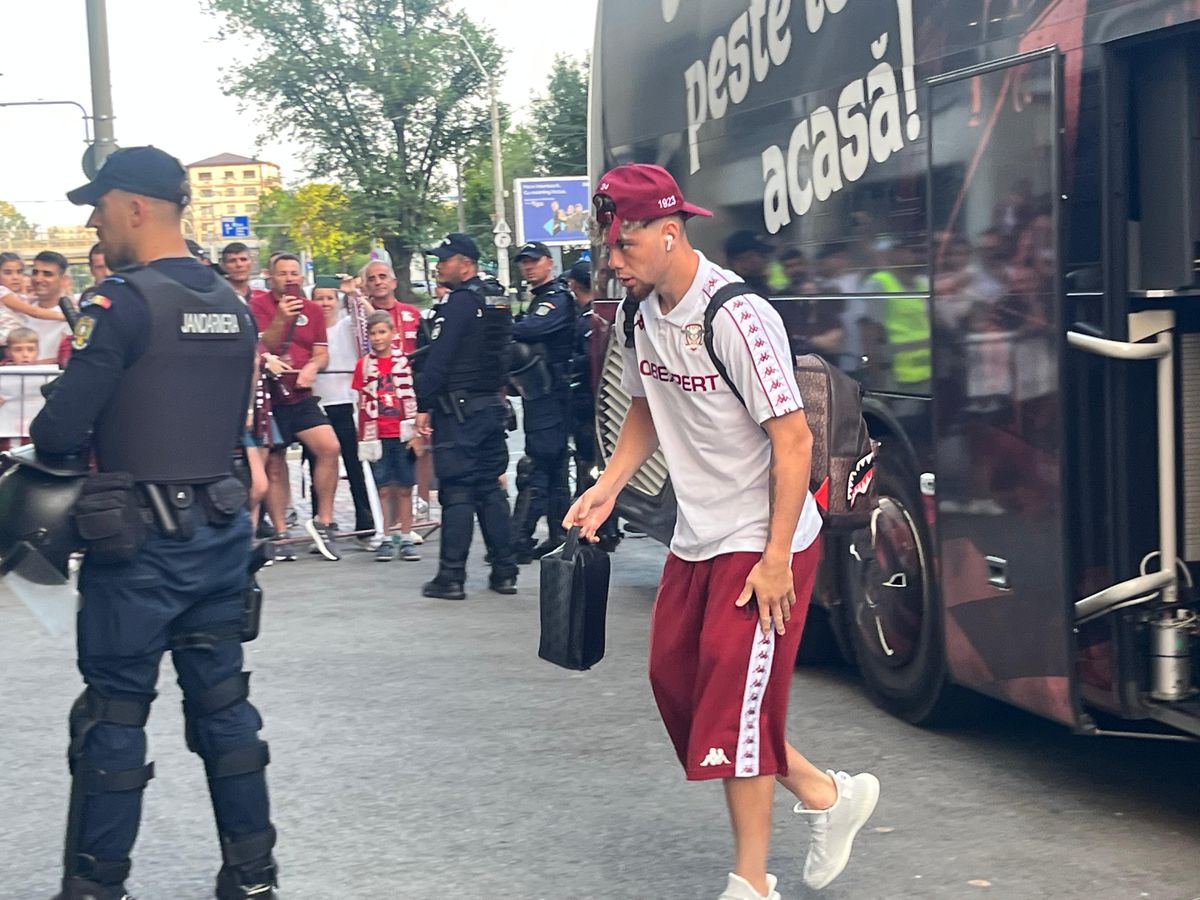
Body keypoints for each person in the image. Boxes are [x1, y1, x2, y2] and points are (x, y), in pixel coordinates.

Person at [567, 163, 879, 900]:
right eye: (610, 248)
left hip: (765, 536)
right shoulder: (642, 316)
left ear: (668, 233)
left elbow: (794, 438)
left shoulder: (736, 316)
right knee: (676, 684)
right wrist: (609, 486)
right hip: (697, 534)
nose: (613, 263)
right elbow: (646, 405)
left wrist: (776, 560)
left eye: (624, 245)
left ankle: (751, 883)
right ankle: (825, 793)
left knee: (736, 709)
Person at [29, 146, 278, 899]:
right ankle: (253, 876)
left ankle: (97, 886)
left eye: (99, 207)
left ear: (134, 206)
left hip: (135, 545)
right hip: (221, 532)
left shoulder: (122, 302)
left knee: (112, 717)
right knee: (226, 711)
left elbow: (58, 432)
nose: (95, 223)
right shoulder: (233, 304)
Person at [414, 232, 517, 600]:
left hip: (458, 411)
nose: (439, 265)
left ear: (466, 263)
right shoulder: (497, 299)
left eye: (446, 258)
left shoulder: (459, 302)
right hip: (491, 405)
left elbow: (440, 358)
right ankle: (504, 571)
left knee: (457, 491)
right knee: (489, 488)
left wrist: (423, 402)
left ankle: (451, 577)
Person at [250, 253, 342, 561]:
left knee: (329, 447)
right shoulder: (258, 306)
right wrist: (281, 318)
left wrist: (312, 368)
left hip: (301, 394)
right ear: (271, 277)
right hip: (271, 397)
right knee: (274, 464)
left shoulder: (313, 309)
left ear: (302, 277)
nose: (289, 278)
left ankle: (324, 521)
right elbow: (264, 347)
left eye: (294, 273)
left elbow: (321, 353)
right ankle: (280, 531)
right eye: (283, 273)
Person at [510, 240, 576, 562]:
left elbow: (533, 328)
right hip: (544, 394)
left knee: (537, 465)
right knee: (554, 467)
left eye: (534, 261)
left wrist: (509, 327)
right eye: (524, 262)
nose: (528, 266)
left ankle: (519, 539)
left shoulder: (556, 299)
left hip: (551, 394)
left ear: (549, 262)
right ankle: (559, 534)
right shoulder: (540, 299)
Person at [306, 277, 375, 544]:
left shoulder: (347, 324)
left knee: (354, 463)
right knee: (318, 465)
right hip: (316, 404)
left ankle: (365, 518)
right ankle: (320, 521)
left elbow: (373, 320)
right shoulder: (307, 327)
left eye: (329, 298)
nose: (324, 303)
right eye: (318, 297)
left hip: (345, 402)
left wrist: (355, 295)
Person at [353, 311, 420, 562]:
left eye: (382, 332)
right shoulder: (363, 366)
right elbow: (359, 401)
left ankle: (405, 534)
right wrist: (362, 436)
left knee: (404, 487)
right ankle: (383, 534)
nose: (377, 338)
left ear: (393, 333)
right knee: (382, 488)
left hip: (402, 432)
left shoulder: (404, 363)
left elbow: (413, 398)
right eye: (372, 333)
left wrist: (417, 433)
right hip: (377, 434)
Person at [21, 250, 72, 361]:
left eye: (47, 274)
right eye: (35, 272)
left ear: (63, 279)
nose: (38, 279)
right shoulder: (21, 312)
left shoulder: (72, 317)